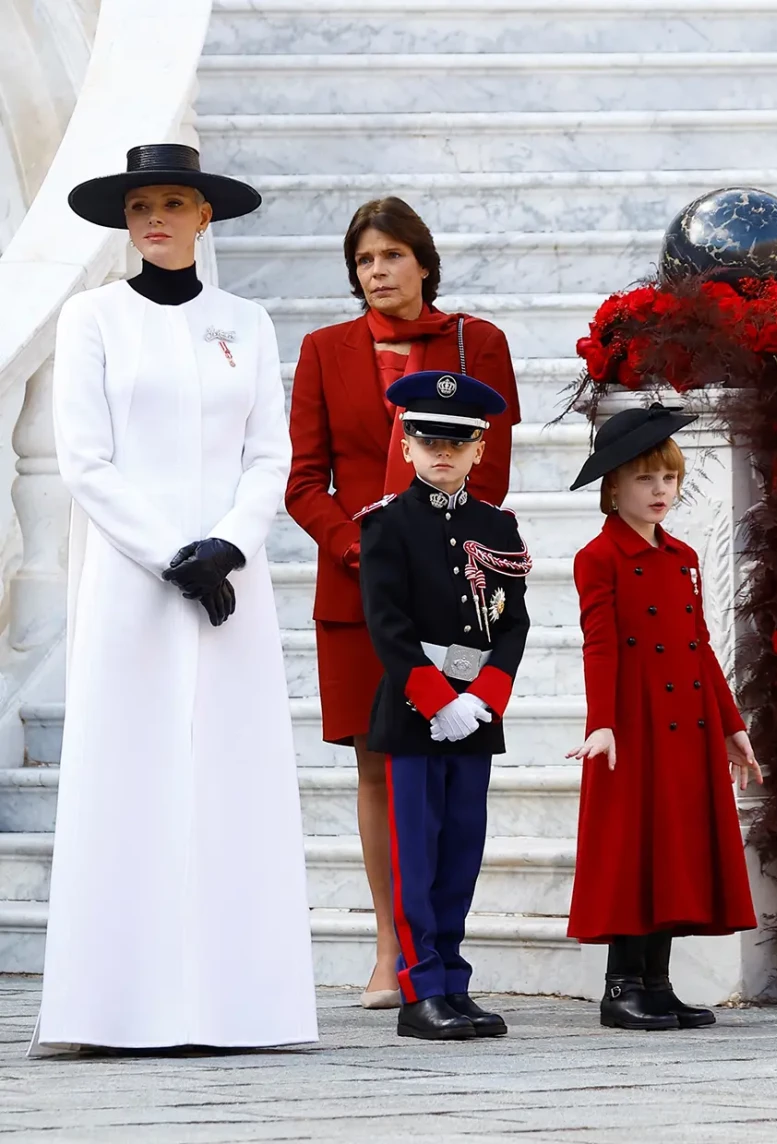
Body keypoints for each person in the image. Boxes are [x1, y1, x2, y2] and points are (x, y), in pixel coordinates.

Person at [30, 144, 317, 1053]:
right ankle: (115, 1008)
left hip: (230, 585)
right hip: (131, 578)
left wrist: (228, 546)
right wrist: (171, 555)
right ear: (127, 220)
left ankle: (242, 1006)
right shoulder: (93, 319)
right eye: (142, 204)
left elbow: (269, 453)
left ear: (204, 217)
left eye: (175, 202)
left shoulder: (248, 320)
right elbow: (85, 460)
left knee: (233, 776)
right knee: (130, 773)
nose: (156, 217)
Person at [286, 196, 521, 1007]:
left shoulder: (477, 343)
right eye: (363, 260)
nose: (377, 271)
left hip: (455, 594)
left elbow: (488, 472)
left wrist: (430, 562)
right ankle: (391, 949)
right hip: (356, 592)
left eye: (391, 255)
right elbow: (302, 484)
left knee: (447, 773)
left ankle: (439, 952)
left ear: (424, 260)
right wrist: (367, 552)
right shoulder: (324, 350)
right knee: (377, 765)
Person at [566, 403, 762, 1032]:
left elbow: (700, 646)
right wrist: (602, 722)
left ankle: (658, 983)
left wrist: (732, 727)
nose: (659, 491)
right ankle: (621, 986)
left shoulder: (682, 556)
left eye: (669, 479)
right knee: (634, 847)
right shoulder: (600, 557)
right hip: (634, 727)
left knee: (675, 848)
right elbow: (598, 643)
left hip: (690, 723)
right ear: (613, 486)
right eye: (645, 478)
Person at [358, 369, 531, 1040]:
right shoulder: (387, 526)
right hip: (414, 711)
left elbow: (512, 622)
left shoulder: (497, 526)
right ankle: (420, 986)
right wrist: (436, 700)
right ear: (405, 446)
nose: (442, 453)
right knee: (417, 853)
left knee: (462, 847)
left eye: (457, 443)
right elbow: (387, 626)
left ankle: (453, 982)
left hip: (476, 715)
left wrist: (485, 697)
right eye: (428, 440)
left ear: (479, 450)